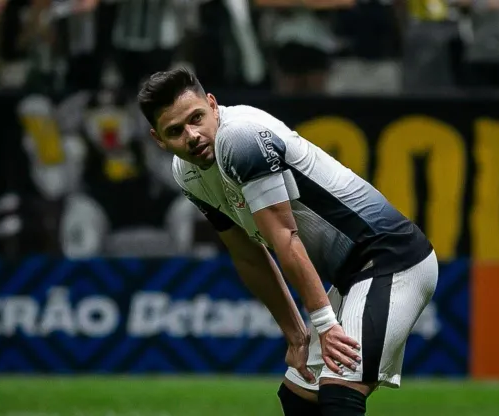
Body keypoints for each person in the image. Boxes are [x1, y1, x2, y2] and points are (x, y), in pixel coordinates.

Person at [137, 68, 438, 416]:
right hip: (353, 276)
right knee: (299, 398)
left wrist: (323, 325)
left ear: (213, 105)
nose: (192, 135)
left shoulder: (240, 139)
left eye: (197, 118)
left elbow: (284, 236)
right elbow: (248, 255)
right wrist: (296, 333)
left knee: (340, 390)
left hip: (392, 259)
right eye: (175, 131)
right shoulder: (186, 172)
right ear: (158, 139)